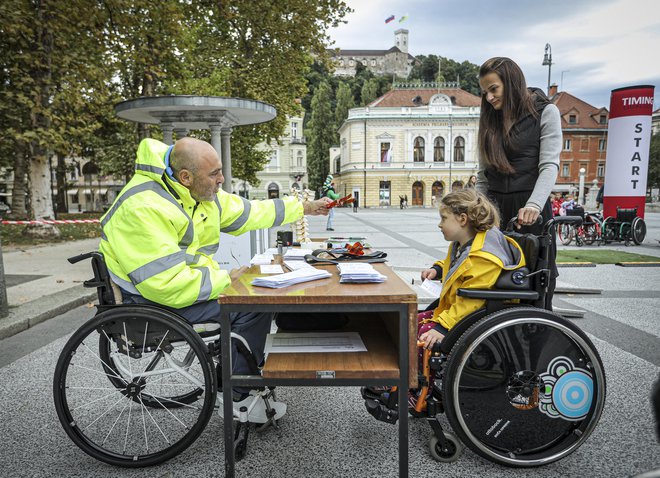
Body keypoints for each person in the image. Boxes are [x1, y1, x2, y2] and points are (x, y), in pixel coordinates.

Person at [99, 137, 330, 401]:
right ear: (185, 177)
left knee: (257, 291)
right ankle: (240, 394)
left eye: (220, 170)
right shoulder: (143, 208)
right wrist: (228, 281)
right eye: (215, 174)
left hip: (179, 286)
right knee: (251, 304)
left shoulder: (195, 191)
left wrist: (303, 207)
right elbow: (164, 283)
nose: (222, 179)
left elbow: (250, 211)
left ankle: (238, 368)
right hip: (149, 298)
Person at [365, 189, 525, 410]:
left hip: (468, 318)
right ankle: (397, 378)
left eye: (443, 218)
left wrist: (441, 327)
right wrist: (437, 270)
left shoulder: (485, 257)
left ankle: (418, 393)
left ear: (462, 219)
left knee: (423, 336)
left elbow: (472, 302)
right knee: (408, 320)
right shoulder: (463, 245)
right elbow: (457, 267)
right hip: (456, 312)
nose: (439, 225)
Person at [475, 57, 561, 310]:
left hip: (531, 209)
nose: (489, 97)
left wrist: (534, 204)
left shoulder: (546, 111)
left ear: (511, 82)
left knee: (535, 281)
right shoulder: (490, 120)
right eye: (485, 92)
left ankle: (537, 338)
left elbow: (549, 165)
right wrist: (476, 208)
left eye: (494, 89)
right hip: (496, 209)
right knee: (493, 284)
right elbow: (482, 176)